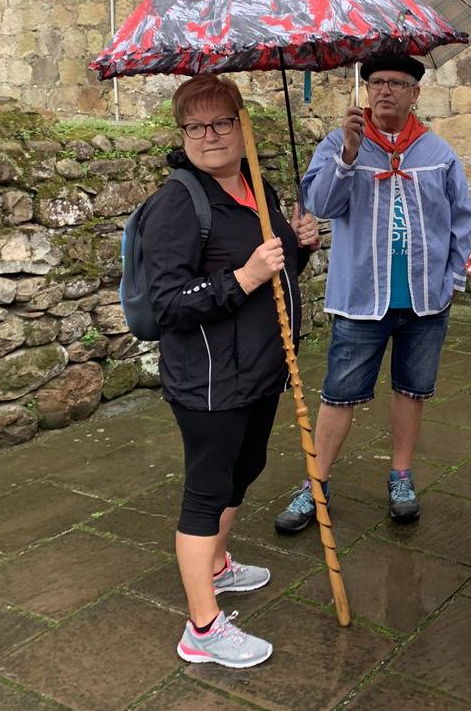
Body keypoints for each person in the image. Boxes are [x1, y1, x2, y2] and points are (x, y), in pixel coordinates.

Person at [141, 74, 320, 668]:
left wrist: (300, 246)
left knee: (248, 468)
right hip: (209, 381)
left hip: (260, 369)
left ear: (244, 126)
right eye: (196, 126)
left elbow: (275, 263)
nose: (210, 135)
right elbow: (167, 302)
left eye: (223, 122)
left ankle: (219, 564)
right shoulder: (177, 202)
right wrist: (243, 276)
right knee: (206, 490)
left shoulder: (254, 185)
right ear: (182, 134)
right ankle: (202, 627)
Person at [275, 53, 471, 533]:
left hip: (426, 300)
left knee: (412, 390)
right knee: (339, 394)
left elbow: (460, 220)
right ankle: (315, 483)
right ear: (365, 89)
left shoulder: (438, 154)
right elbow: (320, 205)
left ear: (415, 93)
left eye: (397, 83)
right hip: (362, 297)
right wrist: (346, 155)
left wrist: (452, 280)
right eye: (377, 81)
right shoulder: (340, 144)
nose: (385, 90)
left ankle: (401, 475)